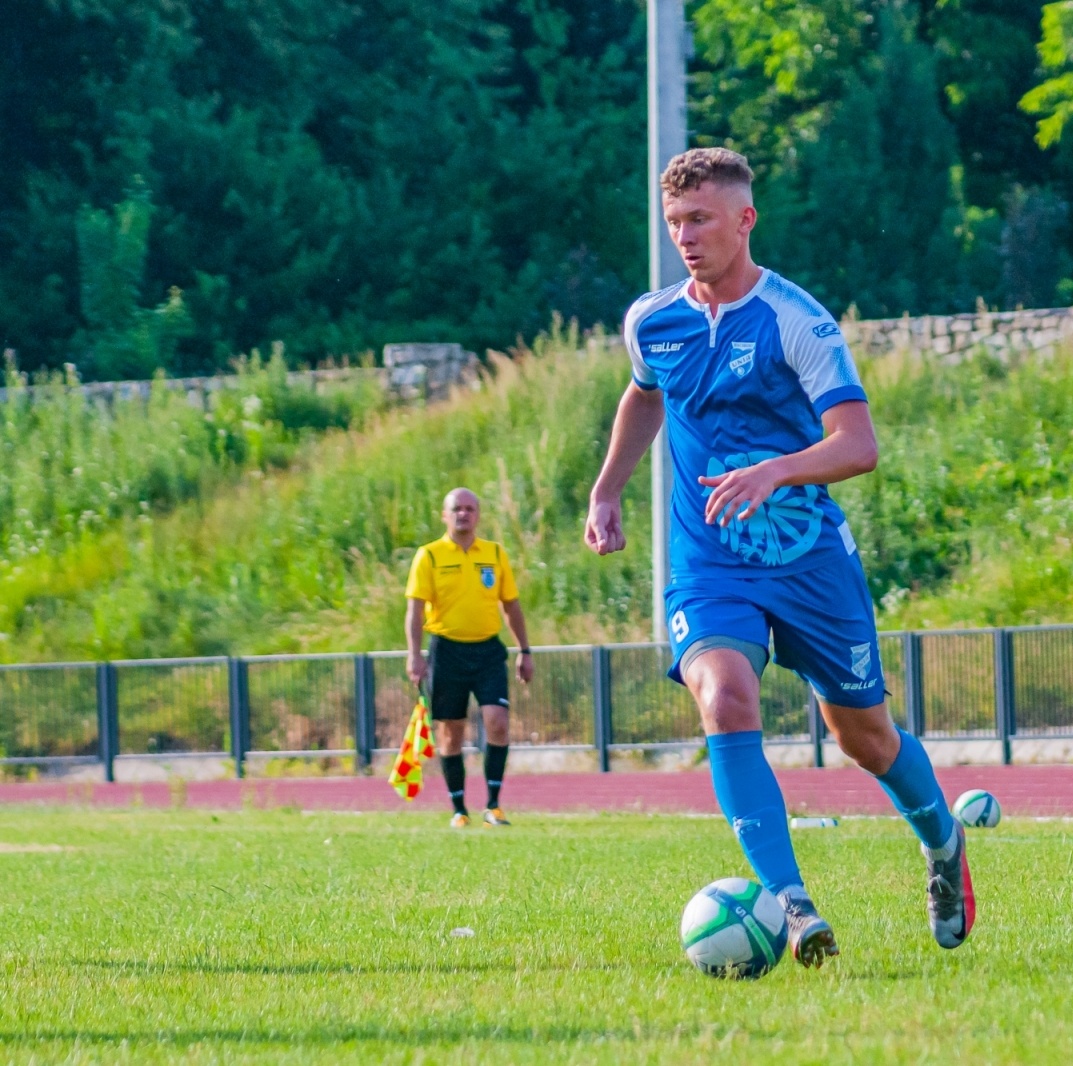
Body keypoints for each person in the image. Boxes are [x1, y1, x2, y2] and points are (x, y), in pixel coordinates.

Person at [583, 147, 975, 968]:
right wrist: (607, 489)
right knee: (724, 697)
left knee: (864, 736)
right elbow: (645, 393)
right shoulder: (651, 319)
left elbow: (858, 444)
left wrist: (775, 469)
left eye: (701, 221)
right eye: (675, 224)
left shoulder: (798, 320)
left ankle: (942, 845)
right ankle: (791, 906)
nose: (686, 237)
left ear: (744, 220)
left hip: (807, 558)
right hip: (708, 560)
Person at [405, 488, 535, 828]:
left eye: (470, 509)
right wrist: (414, 655)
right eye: (457, 509)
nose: (464, 514)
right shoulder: (429, 556)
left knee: (497, 721)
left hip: (488, 650)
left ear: (478, 515)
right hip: (446, 650)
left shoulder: (493, 553)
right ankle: (459, 810)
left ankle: (493, 805)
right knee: (451, 732)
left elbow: (511, 605)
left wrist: (525, 650)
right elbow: (415, 610)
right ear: (444, 515)